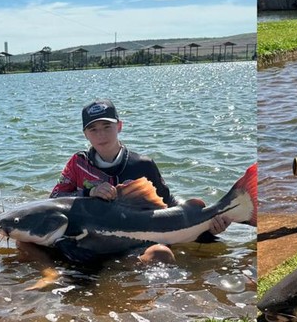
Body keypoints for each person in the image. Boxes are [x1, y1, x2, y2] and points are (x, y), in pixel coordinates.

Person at [50, 99, 229, 262]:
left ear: (119, 126)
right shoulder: (77, 163)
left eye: (107, 126)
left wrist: (203, 217)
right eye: (93, 129)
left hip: (136, 245)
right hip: (89, 244)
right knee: (25, 241)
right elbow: (55, 198)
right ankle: (48, 277)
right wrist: (89, 192)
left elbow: (168, 202)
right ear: (85, 134)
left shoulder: (143, 165)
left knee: (161, 254)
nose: (101, 135)